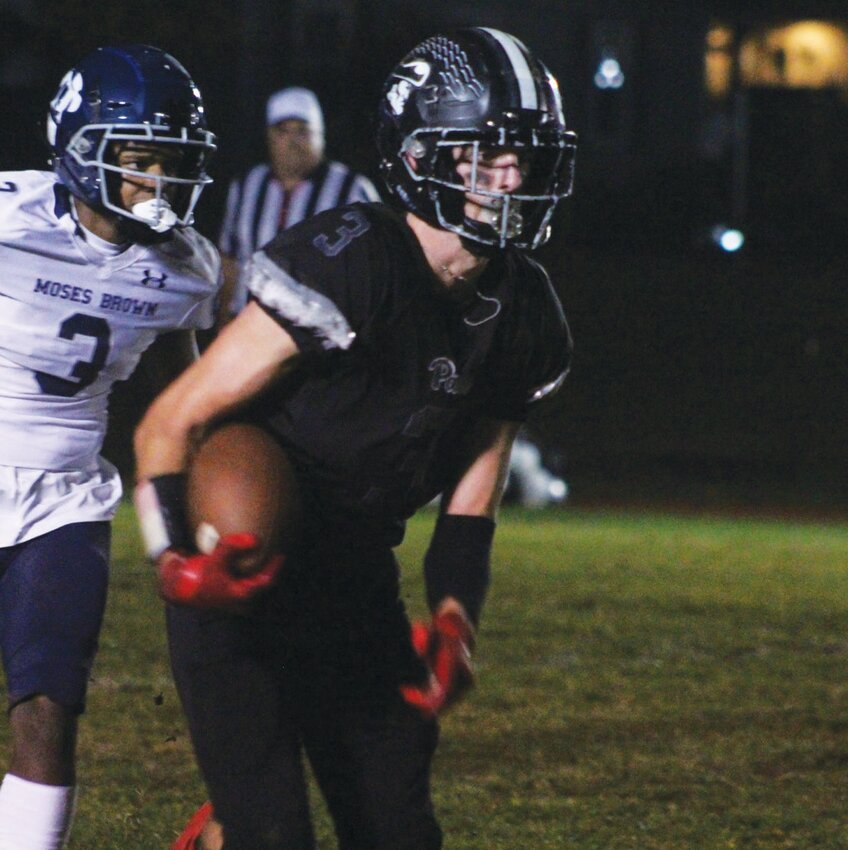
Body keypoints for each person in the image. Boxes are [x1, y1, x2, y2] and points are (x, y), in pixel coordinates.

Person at [133, 26, 577, 850]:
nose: (514, 176)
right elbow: (173, 420)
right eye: (487, 154)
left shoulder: (527, 315)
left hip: (354, 585)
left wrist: (454, 619)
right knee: (275, 834)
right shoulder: (353, 260)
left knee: (399, 832)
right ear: (421, 156)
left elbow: (472, 504)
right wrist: (176, 564)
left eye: (525, 155)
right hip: (243, 575)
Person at [0, 45, 220, 850]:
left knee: (49, 707)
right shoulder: (7, 218)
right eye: (139, 159)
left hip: (63, 500)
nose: (158, 180)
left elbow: (186, 397)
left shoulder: (184, 269)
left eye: (174, 161)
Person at [216, 86, 380, 324]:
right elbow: (230, 260)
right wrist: (223, 320)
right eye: (282, 131)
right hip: (248, 325)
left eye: (302, 131)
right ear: (269, 136)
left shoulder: (352, 188)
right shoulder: (247, 184)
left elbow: (373, 267)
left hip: (321, 332)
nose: (292, 141)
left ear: (320, 134)